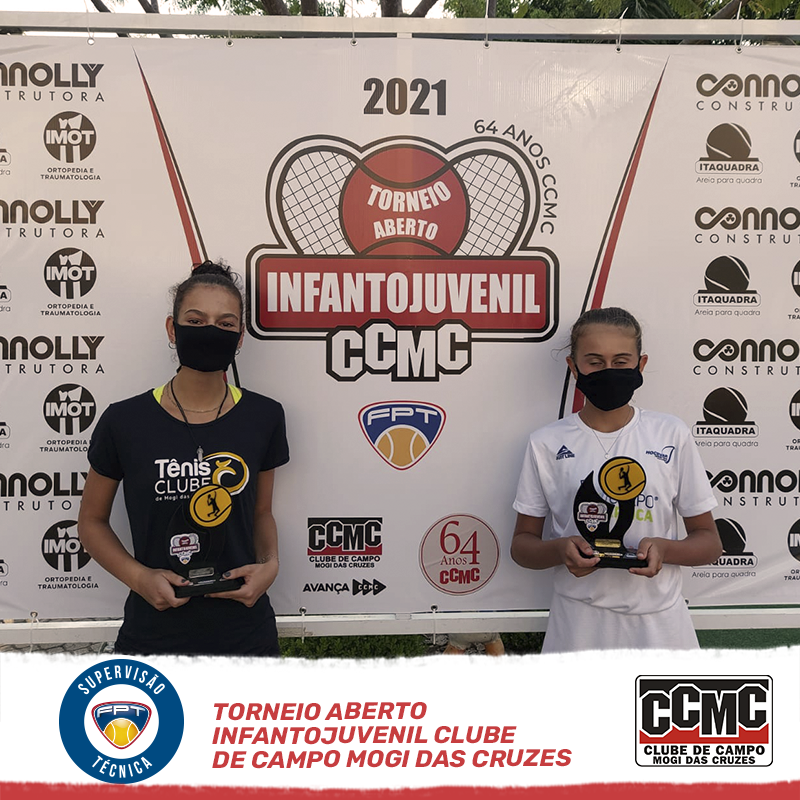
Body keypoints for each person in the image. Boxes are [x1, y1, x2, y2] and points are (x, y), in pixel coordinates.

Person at [78, 261, 289, 656]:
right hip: (153, 634)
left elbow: (261, 513)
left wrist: (270, 565)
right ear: (172, 329)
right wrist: (139, 578)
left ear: (240, 337)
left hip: (247, 634)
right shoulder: (124, 420)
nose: (211, 330)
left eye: (225, 323)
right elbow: (91, 522)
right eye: (196, 320)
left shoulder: (264, 416)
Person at [511, 307, 721, 653]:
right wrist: (560, 550)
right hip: (576, 627)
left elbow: (710, 543)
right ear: (573, 367)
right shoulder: (546, 442)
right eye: (595, 362)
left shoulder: (671, 433)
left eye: (621, 361)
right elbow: (522, 546)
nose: (608, 371)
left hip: (662, 629)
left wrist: (665, 549)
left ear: (641, 365)